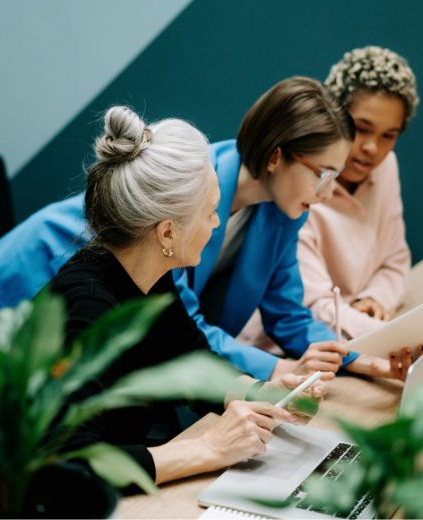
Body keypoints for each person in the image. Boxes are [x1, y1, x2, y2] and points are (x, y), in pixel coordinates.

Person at [0, 76, 409, 381]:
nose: (329, 192)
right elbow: (186, 324)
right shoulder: (193, 195)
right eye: (325, 174)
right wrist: (277, 372)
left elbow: (288, 315)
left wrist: (363, 358)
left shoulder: (284, 210)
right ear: (277, 157)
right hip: (36, 275)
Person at [52, 106, 322, 485]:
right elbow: (68, 463)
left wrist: (269, 394)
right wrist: (208, 448)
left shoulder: (153, 277)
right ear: (166, 233)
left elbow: (193, 362)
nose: (216, 223)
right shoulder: (85, 308)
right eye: (211, 212)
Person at [241, 46, 423, 367]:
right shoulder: (298, 187)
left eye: (389, 135)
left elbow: (395, 259)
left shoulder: (386, 167)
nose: (373, 149)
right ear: (334, 117)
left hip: (353, 339)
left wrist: (374, 298)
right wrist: (410, 339)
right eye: (361, 129)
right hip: (287, 351)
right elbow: (311, 307)